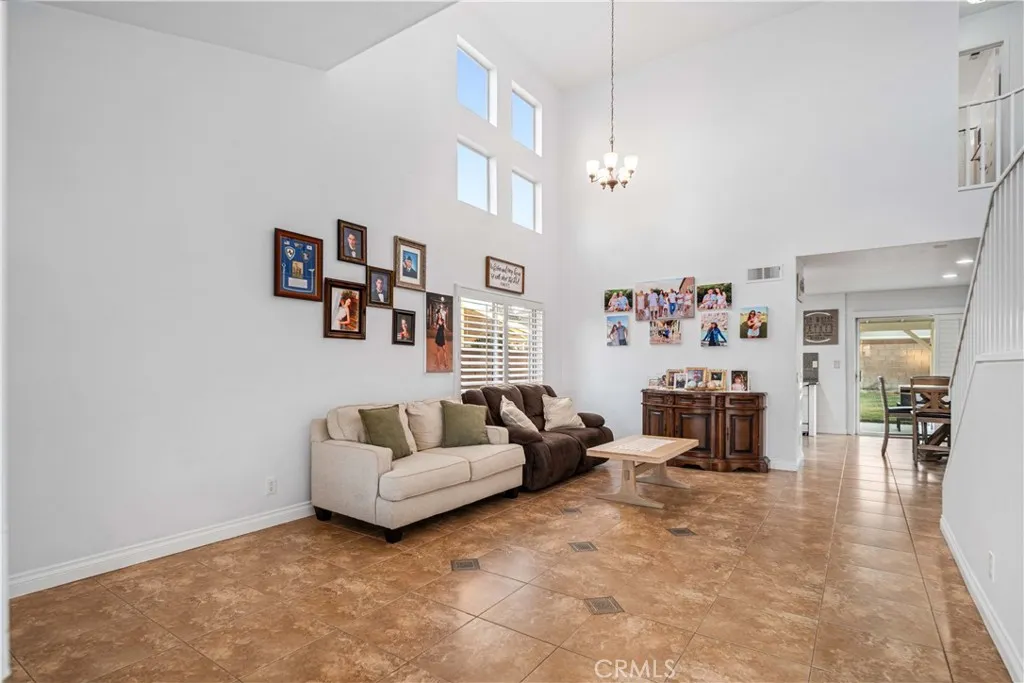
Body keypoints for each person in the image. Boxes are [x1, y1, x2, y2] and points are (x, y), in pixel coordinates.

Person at [433, 303, 448, 369]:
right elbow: (435, 328)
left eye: (440, 314)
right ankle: (438, 364)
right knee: (438, 350)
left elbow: (445, 328)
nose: (439, 315)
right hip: (438, 336)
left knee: (444, 350)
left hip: (442, 337)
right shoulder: (436, 322)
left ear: (441, 315)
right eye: (438, 314)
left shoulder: (443, 320)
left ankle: (445, 363)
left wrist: (444, 325)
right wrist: (436, 326)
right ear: (437, 315)